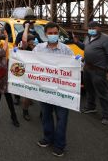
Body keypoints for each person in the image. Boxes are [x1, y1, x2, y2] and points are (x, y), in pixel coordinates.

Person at [33, 22, 74, 158]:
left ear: (58, 33)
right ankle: (47, 138)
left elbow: (75, 67)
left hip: (62, 90)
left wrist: (80, 61)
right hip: (45, 89)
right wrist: (17, 53)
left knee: (62, 118)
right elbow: (29, 62)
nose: (53, 35)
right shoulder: (39, 48)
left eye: (55, 33)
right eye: (50, 33)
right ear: (45, 34)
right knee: (46, 115)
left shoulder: (66, 50)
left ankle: (59, 145)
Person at [75, 20, 108, 125]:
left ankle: (107, 115)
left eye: (94, 28)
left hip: (98, 70)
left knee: (102, 93)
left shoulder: (105, 38)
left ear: (99, 28)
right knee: (89, 89)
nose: (92, 30)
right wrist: (77, 42)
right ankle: (91, 106)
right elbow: (86, 48)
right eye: (90, 28)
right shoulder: (88, 37)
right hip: (87, 68)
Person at [13, 19, 42, 105]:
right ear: (26, 26)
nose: (33, 26)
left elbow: (41, 43)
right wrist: (17, 50)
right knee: (19, 80)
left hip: (32, 60)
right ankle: (17, 97)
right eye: (31, 24)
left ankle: (29, 97)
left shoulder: (35, 34)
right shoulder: (21, 34)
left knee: (30, 81)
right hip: (22, 59)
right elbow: (16, 44)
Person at [19, 22, 39, 121]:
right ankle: (25, 111)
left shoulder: (38, 49)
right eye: (29, 41)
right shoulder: (25, 48)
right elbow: (23, 40)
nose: (31, 43)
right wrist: (27, 27)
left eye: (33, 41)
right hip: (28, 73)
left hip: (38, 74)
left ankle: (43, 113)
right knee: (28, 94)